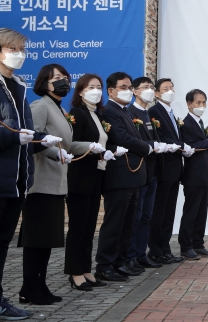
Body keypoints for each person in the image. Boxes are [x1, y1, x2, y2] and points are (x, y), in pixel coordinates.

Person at [0, 28, 62, 322]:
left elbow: (20, 130)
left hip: (16, 180)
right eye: (14, 49)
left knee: (0, 244)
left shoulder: (17, 86)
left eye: (22, 49)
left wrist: (40, 138)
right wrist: (14, 140)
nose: (20, 54)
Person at [18, 64, 106, 305]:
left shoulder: (57, 109)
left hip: (57, 182)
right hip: (41, 182)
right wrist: (54, 153)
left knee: (47, 240)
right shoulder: (40, 106)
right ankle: (29, 287)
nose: (62, 81)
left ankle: (40, 285)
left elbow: (66, 145)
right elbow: (33, 139)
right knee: (36, 240)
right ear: (44, 82)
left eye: (64, 77)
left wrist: (89, 147)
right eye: (56, 78)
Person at [95, 72, 152, 282]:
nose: (128, 91)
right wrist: (146, 147)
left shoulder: (126, 111)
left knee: (128, 224)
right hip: (119, 176)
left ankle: (119, 262)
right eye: (124, 87)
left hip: (134, 175)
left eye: (129, 87)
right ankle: (104, 265)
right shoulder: (109, 111)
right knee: (114, 223)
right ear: (111, 91)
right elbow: (121, 137)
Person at [65, 74, 116, 291]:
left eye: (98, 87)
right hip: (80, 176)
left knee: (89, 226)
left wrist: (108, 153)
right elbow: (72, 143)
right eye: (90, 87)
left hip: (96, 174)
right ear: (80, 91)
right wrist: (91, 148)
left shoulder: (97, 114)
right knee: (78, 226)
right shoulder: (78, 113)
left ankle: (86, 269)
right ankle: (75, 272)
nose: (96, 90)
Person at [126, 77, 176, 271]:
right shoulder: (131, 113)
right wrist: (153, 146)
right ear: (135, 91)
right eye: (145, 87)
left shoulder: (147, 114)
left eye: (150, 87)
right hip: (138, 169)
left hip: (152, 171)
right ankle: (131, 256)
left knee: (147, 216)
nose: (148, 90)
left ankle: (141, 253)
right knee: (136, 217)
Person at [147, 78, 189, 264]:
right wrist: (181, 145)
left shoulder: (171, 112)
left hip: (174, 169)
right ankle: (156, 250)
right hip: (163, 168)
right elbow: (160, 137)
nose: (170, 91)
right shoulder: (154, 111)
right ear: (157, 93)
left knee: (169, 211)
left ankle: (165, 248)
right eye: (165, 89)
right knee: (160, 211)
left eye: (172, 88)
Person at [178, 89, 208, 261]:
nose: (201, 106)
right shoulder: (185, 123)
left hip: (204, 174)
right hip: (193, 175)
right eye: (198, 103)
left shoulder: (198, 122)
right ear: (189, 104)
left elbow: (200, 137)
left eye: (204, 102)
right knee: (191, 211)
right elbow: (191, 144)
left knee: (202, 211)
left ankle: (197, 242)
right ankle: (186, 246)